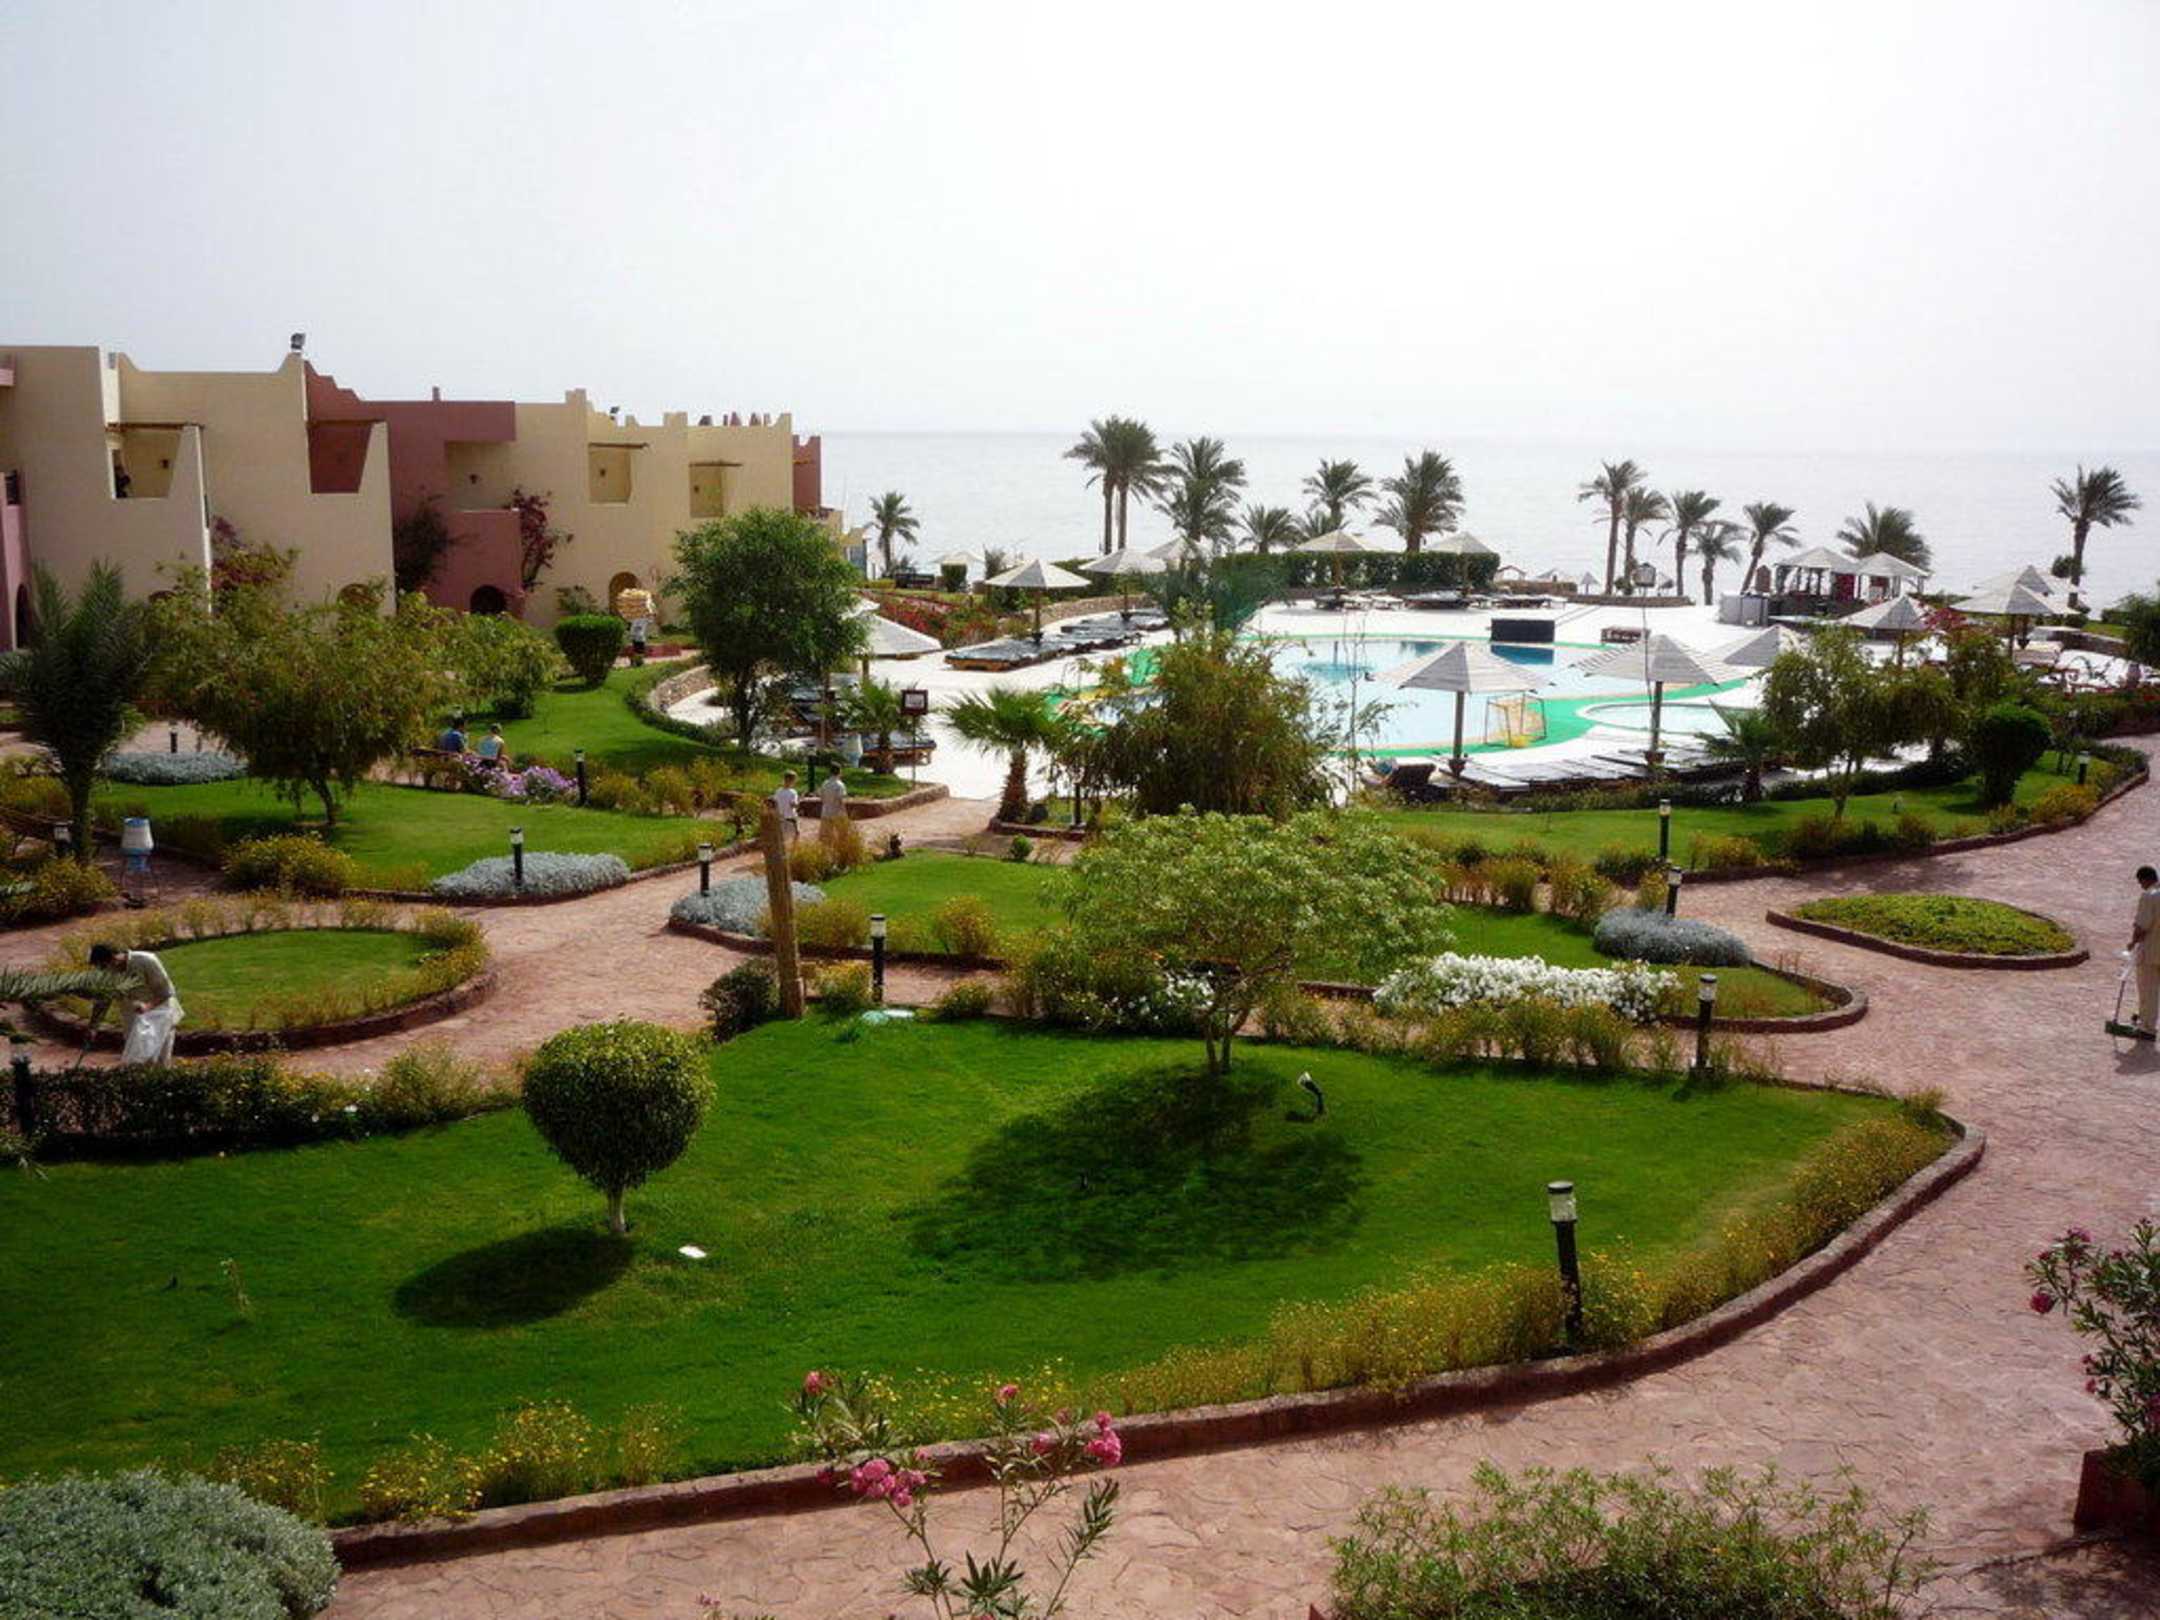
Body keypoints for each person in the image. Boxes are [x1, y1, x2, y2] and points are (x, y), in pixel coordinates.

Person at [88, 941, 183, 1066]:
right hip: (132, 1019)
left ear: (114, 958)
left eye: (103, 966)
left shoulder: (146, 960)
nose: (103, 970)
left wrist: (147, 1007)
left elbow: (166, 992)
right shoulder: (107, 973)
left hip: (160, 1014)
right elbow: (103, 1000)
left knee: (160, 1059)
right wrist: (93, 1027)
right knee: (136, 1061)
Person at [2129, 865, 2160, 1033]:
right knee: (2153, 988)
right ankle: (2143, 1017)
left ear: (2145, 880)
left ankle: (2147, 1026)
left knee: (2148, 988)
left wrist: (2132, 942)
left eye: (2140, 882)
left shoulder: (2149, 896)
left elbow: (2142, 925)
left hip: (2150, 950)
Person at [817, 769, 849, 846]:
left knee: (826, 836)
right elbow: (841, 800)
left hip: (826, 812)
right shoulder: (840, 785)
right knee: (842, 834)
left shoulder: (825, 783)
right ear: (840, 772)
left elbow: (821, 797)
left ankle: (827, 851)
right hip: (838, 812)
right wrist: (845, 812)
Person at [772, 770, 800, 846]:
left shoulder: (778, 791)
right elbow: (793, 804)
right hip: (790, 817)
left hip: (780, 816)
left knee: (781, 836)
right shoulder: (793, 792)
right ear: (792, 780)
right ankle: (794, 849)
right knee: (796, 834)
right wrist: (798, 804)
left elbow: (774, 802)